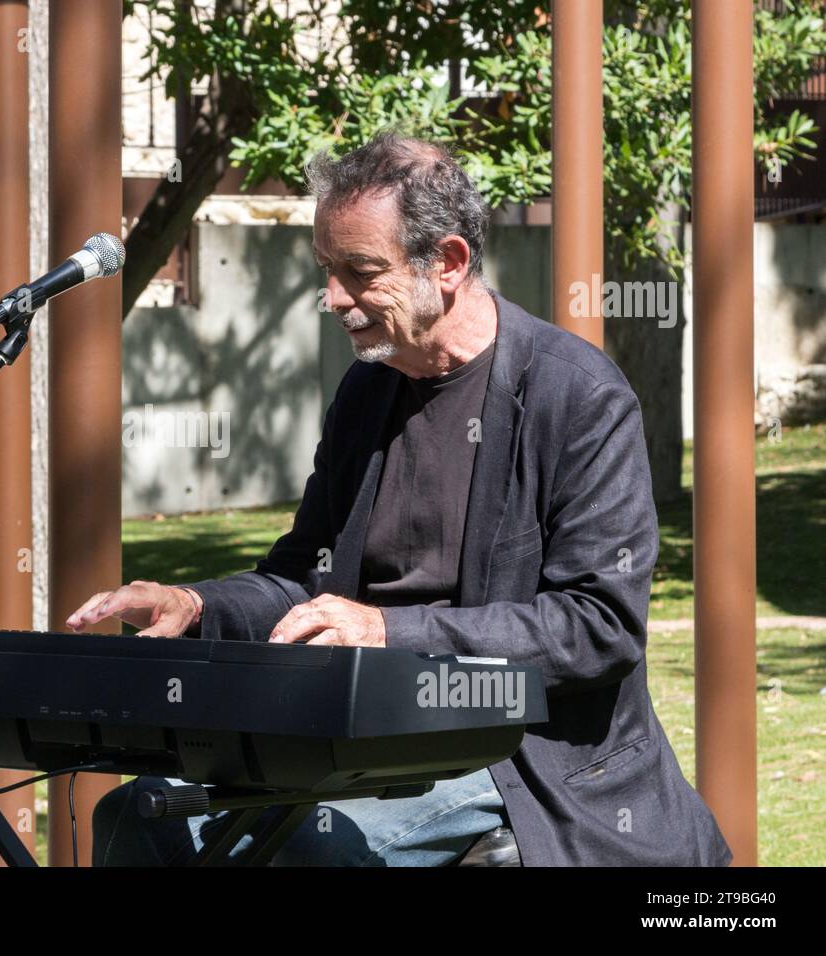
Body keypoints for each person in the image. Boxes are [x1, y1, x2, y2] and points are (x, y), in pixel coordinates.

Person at [68, 130, 731, 867]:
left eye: (359, 271)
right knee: (135, 818)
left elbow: (598, 627)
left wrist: (388, 632)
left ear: (447, 263)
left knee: (310, 851)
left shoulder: (577, 395)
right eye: (327, 269)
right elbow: (301, 581)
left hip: (514, 751)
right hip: (360, 733)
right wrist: (196, 605)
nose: (333, 298)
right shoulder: (368, 387)